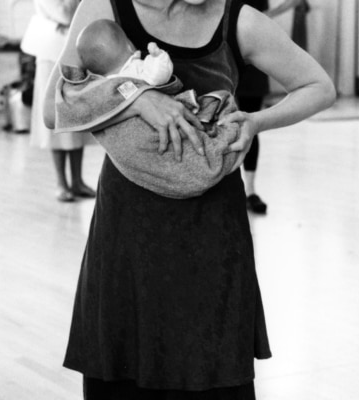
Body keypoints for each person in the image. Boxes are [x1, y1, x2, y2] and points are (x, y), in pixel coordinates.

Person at [44, 0, 335, 399]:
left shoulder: (239, 19)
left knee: (212, 371)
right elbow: (52, 109)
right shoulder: (103, 7)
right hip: (130, 222)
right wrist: (136, 97)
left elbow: (319, 86)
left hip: (210, 226)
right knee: (124, 372)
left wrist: (255, 121)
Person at [54, 18, 242, 199]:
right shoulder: (137, 68)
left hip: (131, 162)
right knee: (214, 108)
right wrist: (158, 55)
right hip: (151, 134)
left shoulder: (99, 90)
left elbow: (67, 111)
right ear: (129, 46)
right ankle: (222, 143)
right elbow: (160, 74)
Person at [21, 0, 96, 202]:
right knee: (56, 117)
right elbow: (65, 14)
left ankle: (78, 181)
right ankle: (61, 183)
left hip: (76, 52)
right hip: (51, 54)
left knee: (78, 116)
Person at [238, 0, 309, 214]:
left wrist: (285, 7)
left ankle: (249, 190)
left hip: (250, 64)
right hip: (223, 59)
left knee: (251, 127)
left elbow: (260, 21)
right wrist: (285, 7)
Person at [76, 19, 173, 85]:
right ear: (130, 46)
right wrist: (158, 57)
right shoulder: (136, 68)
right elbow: (158, 76)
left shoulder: (102, 87)